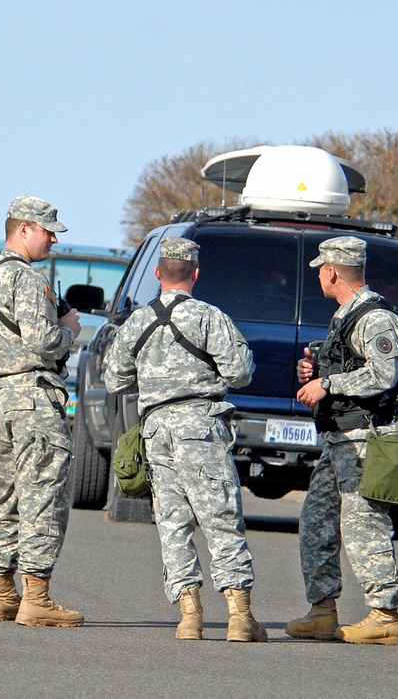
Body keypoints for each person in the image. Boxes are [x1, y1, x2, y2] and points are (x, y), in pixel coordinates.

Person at [103, 237, 267, 642]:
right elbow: (241, 373)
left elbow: (114, 380)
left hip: (157, 430)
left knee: (173, 523)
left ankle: (189, 616)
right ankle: (239, 616)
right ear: (195, 274)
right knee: (220, 517)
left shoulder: (136, 323)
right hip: (201, 426)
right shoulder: (210, 318)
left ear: (158, 274)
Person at [0, 195, 83, 627]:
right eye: (48, 230)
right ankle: (37, 598)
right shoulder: (28, 281)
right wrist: (68, 333)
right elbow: (43, 342)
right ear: (23, 229)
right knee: (43, 496)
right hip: (34, 400)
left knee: (5, 496)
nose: (53, 238)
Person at [287, 236, 398, 646]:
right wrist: (315, 368)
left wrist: (328, 383)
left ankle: (384, 615)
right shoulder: (345, 315)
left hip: (367, 438)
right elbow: (347, 364)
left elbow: (384, 374)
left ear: (333, 271)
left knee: (364, 523)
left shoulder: (375, 318)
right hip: (340, 441)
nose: (319, 274)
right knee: (317, 521)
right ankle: (322, 611)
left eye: (321, 268)